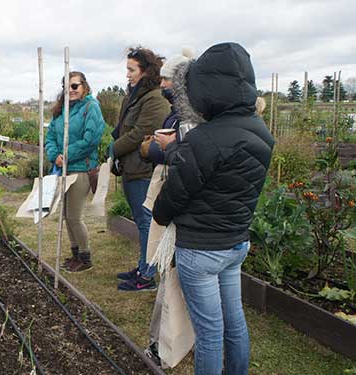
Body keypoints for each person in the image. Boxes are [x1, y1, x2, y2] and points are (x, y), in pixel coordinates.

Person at [153, 42, 274, 375]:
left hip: (201, 250)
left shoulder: (205, 139)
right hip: (236, 243)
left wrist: (160, 215)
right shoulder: (262, 133)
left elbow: (174, 195)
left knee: (208, 333)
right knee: (233, 321)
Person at [142, 47, 197, 365]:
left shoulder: (190, 115)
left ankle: (167, 348)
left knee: (174, 280)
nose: (161, 85)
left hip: (185, 211)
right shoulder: (186, 110)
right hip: (208, 221)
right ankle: (166, 343)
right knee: (173, 278)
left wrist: (161, 147)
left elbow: (187, 163)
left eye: (165, 79)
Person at [109, 47, 170, 291]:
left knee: (146, 223)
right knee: (141, 221)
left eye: (131, 70)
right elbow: (124, 126)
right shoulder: (137, 95)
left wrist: (113, 148)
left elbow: (138, 134)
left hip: (142, 169)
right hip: (132, 167)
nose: (128, 75)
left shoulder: (154, 99)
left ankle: (147, 276)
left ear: (146, 71)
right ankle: (142, 266)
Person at [45, 71, 106, 272]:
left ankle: (85, 257)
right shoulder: (61, 111)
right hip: (64, 169)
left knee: (74, 216)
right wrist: (55, 156)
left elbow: (90, 140)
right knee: (65, 215)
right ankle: (75, 255)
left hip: (81, 170)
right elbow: (50, 137)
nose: (70, 90)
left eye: (74, 86)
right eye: (67, 86)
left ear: (84, 86)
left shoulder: (91, 107)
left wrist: (66, 154)